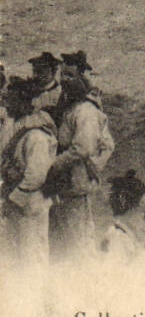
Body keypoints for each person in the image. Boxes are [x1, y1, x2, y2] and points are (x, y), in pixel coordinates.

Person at [48, 56, 116, 262]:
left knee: (77, 237)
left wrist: (54, 165)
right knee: (65, 234)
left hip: (76, 181)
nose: (64, 81)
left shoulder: (85, 111)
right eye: (63, 75)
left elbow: (83, 148)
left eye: (70, 76)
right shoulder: (71, 107)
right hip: (66, 182)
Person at [2, 76, 57, 272]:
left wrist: (13, 198)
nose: (6, 103)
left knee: (32, 255)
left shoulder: (37, 135)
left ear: (25, 103)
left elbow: (36, 175)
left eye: (11, 100)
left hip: (32, 203)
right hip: (20, 202)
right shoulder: (18, 126)